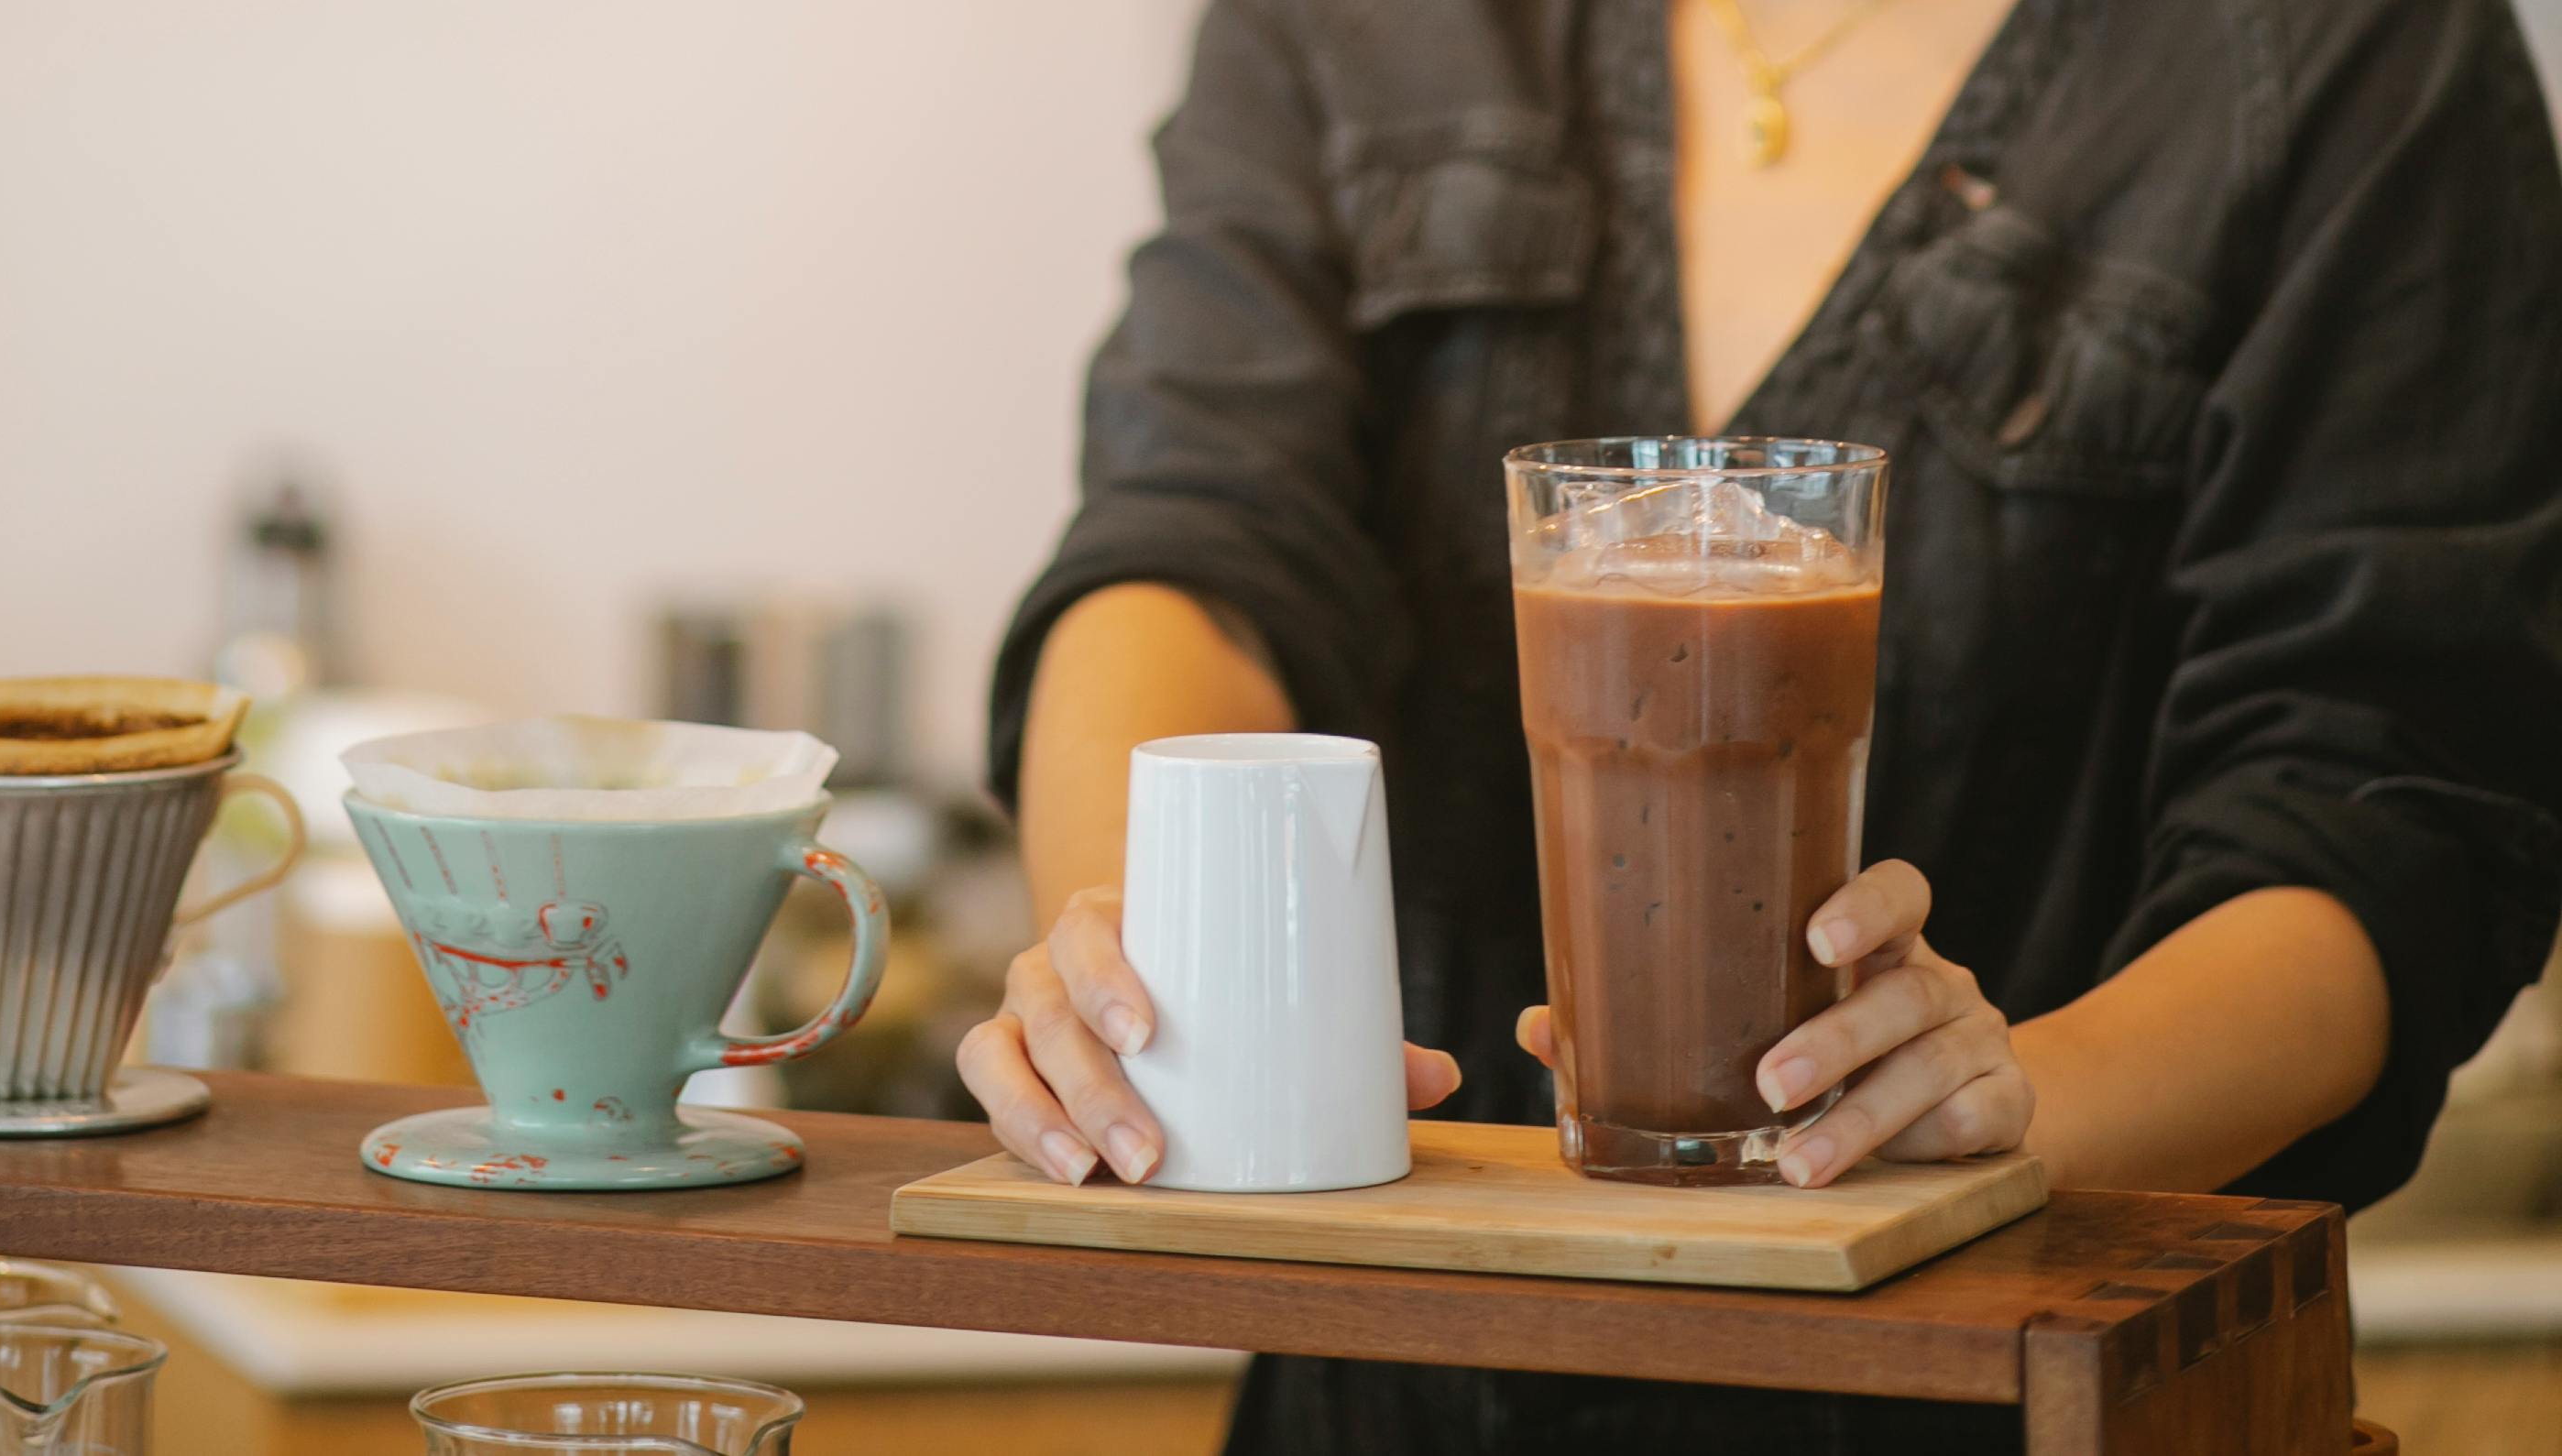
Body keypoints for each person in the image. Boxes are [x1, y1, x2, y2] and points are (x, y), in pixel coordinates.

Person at [959, 0, 2562, 1450]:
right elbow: (1193, 538)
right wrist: (1138, 965)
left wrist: (2012, 1104)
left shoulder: (2347, 44)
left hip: (2012, 1396)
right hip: (1397, 1393)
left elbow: (2387, 797)